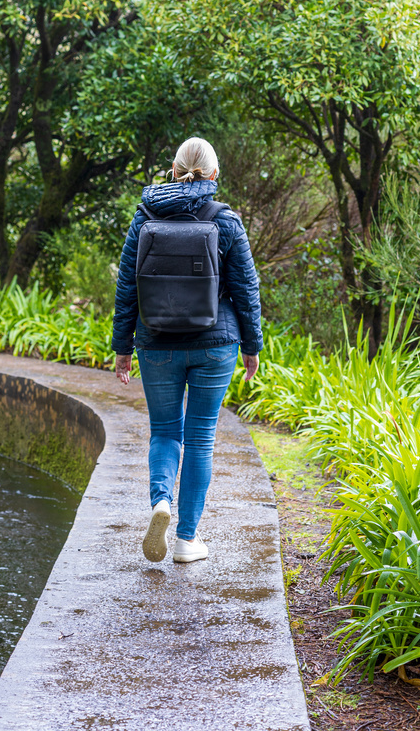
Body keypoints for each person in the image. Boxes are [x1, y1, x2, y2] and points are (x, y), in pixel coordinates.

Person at [112, 136, 263, 564]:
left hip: (156, 342)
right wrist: (251, 345)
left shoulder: (143, 220)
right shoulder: (226, 221)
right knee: (200, 439)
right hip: (215, 343)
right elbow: (246, 290)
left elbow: (127, 290)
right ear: (214, 175)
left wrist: (122, 347)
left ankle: (161, 500)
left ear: (173, 171)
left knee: (164, 431)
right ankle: (186, 539)